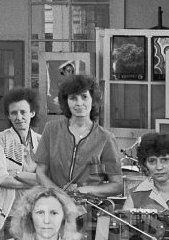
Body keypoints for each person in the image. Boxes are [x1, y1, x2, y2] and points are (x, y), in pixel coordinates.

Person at [34, 72, 122, 203]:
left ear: (93, 100)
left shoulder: (106, 138)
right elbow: (40, 172)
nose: (79, 103)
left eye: (84, 97)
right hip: (54, 206)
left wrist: (84, 190)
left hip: (89, 209)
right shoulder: (51, 130)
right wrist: (58, 194)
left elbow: (117, 185)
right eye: (73, 98)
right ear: (66, 102)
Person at [0, 86, 42, 228]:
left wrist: (15, 174)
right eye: (13, 113)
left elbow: (49, 177)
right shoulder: (0, 139)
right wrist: (35, 182)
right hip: (7, 214)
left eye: (23, 112)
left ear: (32, 113)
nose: (18, 117)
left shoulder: (41, 142)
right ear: (8, 115)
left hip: (35, 213)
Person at [123, 132, 169, 211]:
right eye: (152, 161)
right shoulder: (135, 196)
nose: (159, 167)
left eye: (164, 160)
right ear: (145, 164)